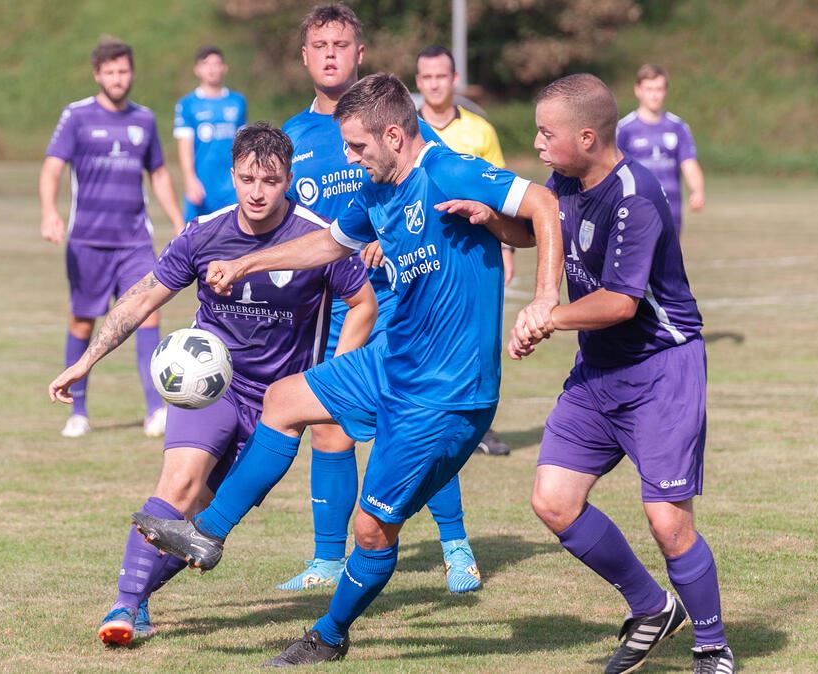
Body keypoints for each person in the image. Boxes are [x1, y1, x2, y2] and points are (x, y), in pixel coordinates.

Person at [134, 73, 562, 666]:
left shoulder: (450, 172)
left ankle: (330, 635)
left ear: (393, 134)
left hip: (445, 392)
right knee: (283, 400)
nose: (352, 159)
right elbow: (328, 244)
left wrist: (544, 298)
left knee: (370, 531)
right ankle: (208, 534)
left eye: (358, 148)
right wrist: (248, 263)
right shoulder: (376, 189)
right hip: (393, 362)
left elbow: (543, 204)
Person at [48, 123, 375, 647]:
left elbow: (363, 304)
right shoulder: (205, 232)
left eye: (269, 180)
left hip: (277, 405)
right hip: (212, 385)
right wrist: (86, 360)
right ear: (232, 175)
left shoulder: (316, 237)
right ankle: (125, 607)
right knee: (177, 485)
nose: (257, 191)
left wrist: (332, 377)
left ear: (289, 179)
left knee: (203, 523)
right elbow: (142, 296)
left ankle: (141, 596)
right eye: (247, 178)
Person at [512, 73, 733, 674]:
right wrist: (481, 216)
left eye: (546, 132)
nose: (536, 142)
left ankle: (713, 647)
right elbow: (536, 223)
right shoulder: (567, 176)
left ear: (586, 136)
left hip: (662, 369)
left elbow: (618, 303)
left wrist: (546, 317)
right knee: (554, 501)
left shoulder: (637, 194)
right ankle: (650, 606)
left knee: (667, 521)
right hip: (600, 370)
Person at [275, 2, 486, 595]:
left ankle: (455, 544)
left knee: (412, 419)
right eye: (321, 45)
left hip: (401, 301)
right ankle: (325, 558)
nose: (331, 54)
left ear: (359, 53)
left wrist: (388, 240)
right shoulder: (292, 138)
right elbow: (291, 225)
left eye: (342, 44)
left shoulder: (391, 120)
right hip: (335, 305)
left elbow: (427, 193)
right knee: (326, 425)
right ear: (305, 56)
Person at [39, 38, 185, 439]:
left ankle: (156, 409)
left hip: (135, 240)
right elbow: (52, 168)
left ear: (132, 73)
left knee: (148, 314)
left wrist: (177, 219)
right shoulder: (77, 116)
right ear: (97, 75)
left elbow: (157, 173)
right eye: (110, 72)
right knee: (83, 322)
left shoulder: (145, 120)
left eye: (124, 71)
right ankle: (78, 411)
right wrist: (49, 211)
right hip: (87, 241)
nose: (118, 78)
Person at [414, 43, 514, 458]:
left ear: (454, 80)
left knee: (480, 338)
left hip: (475, 253)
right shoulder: (408, 129)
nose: (435, 84)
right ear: (418, 84)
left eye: (442, 76)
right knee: (424, 339)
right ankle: (430, 422)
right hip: (422, 254)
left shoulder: (480, 131)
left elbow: (501, 193)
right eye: (427, 78)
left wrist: (507, 248)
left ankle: (481, 428)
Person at [616, 64, 705, 236]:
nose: (654, 95)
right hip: (637, 208)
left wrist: (697, 191)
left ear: (665, 91)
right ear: (638, 90)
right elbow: (612, 168)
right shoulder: (625, 129)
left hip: (672, 209)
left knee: (668, 261)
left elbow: (689, 163)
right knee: (641, 261)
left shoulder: (678, 127)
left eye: (659, 89)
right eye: (649, 89)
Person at [174, 46, 247, 221]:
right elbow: (185, 146)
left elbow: (244, 144)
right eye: (206, 64)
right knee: (196, 239)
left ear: (224, 68)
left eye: (216, 63)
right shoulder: (187, 104)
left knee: (235, 237)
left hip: (231, 185)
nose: (212, 69)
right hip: (202, 184)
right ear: (197, 70)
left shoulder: (237, 102)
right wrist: (190, 180)